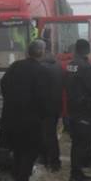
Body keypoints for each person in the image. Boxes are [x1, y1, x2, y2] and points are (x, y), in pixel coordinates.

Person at [0, 39, 50, 181]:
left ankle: (16, 177)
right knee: (30, 150)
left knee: (17, 148)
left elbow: (3, 83)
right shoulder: (41, 71)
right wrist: (43, 113)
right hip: (31, 118)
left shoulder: (15, 66)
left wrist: (10, 100)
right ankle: (23, 179)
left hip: (12, 115)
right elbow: (43, 96)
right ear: (41, 52)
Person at [65, 39, 91, 181]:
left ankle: (76, 172)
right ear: (87, 50)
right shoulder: (86, 67)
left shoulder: (71, 64)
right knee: (81, 143)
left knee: (76, 142)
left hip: (73, 107)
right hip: (84, 109)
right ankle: (76, 174)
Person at [39, 44, 64, 172]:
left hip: (45, 107)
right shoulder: (57, 66)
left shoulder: (43, 68)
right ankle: (52, 160)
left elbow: (40, 90)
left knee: (46, 135)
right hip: (55, 106)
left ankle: (51, 161)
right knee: (51, 134)